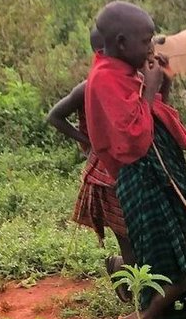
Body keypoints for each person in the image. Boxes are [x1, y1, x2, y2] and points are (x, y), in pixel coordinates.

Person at [84, 0, 186, 319]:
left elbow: (154, 115)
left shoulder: (124, 72)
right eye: (147, 41)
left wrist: (158, 85)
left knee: (175, 262)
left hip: (155, 180)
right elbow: (133, 139)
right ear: (122, 42)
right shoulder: (105, 80)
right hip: (141, 182)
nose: (152, 47)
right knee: (181, 265)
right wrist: (151, 88)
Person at [47, 28, 134, 282]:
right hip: (105, 175)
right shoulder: (88, 87)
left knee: (143, 238)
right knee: (130, 241)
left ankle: (124, 272)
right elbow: (54, 116)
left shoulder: (129, 80)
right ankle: (131, 286)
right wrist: (89, 142)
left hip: (128, 167)